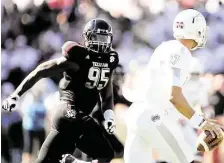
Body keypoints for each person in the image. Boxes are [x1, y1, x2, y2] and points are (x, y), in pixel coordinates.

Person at [2, 18, 119, 163]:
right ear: (87, 37)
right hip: (70, 113)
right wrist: (15, 95)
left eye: (104, 38)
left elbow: (106, 94)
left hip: (67, 121)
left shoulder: (110, 60)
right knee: (106, 153)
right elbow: (41, 70)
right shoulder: (78, 56)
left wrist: (109, 116)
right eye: (96, 37)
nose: (101, 42)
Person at [124, 9, 222, 163]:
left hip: (136, 112)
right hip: (154, 117)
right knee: (187, 161)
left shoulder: (165, 46)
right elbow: (174, 96)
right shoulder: (181, 52)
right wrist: (201, 123)